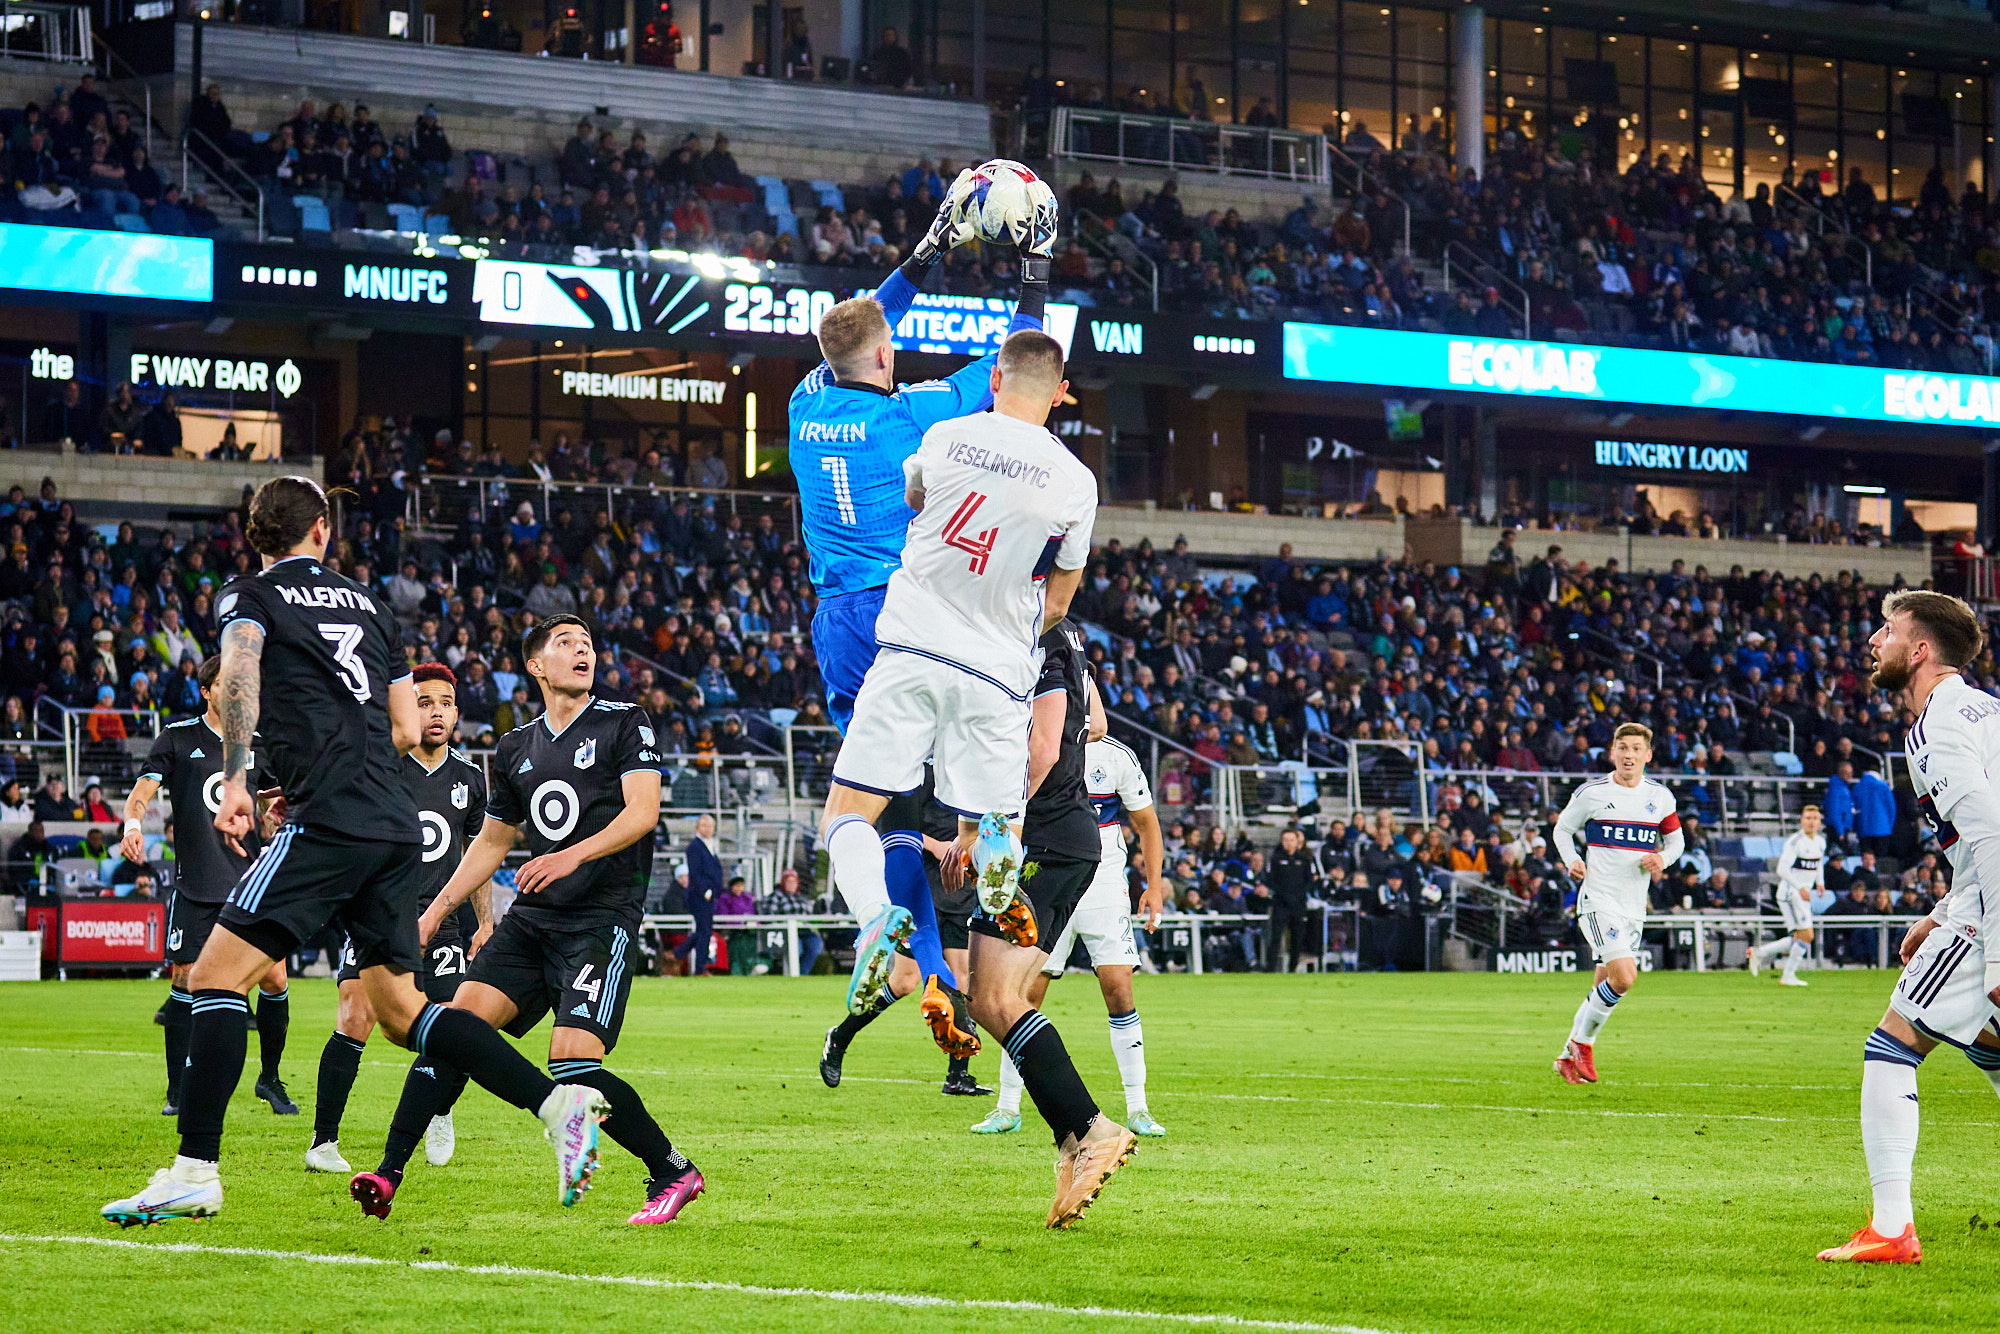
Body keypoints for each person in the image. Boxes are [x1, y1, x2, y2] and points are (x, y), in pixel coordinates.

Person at [102, 477, 610, 1227]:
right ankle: (555, 1101)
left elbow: (239, 673)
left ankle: (193, 1171)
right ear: (321, 532)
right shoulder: (371, 605)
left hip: (332, 820)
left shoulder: (250, 595)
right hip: (392, 822)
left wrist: (242, 776)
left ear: (260, 536)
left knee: (210, 978)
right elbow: (405, 726)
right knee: (403, 1011)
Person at [819, 328, 1132, 1228]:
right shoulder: (1077, 483)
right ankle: (1087, 1132)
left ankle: (878, 915)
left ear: (993, 378)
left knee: (849, 810)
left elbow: (914, 495)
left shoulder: (951, 434)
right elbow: (1060, 603)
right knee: (995, 992)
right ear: (1062, 392)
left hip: (914, 647)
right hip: (1000, 677)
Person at [790, 171, 1052, 1043]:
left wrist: (926, 254)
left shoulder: (803, 403)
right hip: (907, 617)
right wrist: (1033, 271)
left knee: (875, 807)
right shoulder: (915, 420)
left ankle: (915, 959)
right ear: (890, 361)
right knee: (950, 795)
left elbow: (859, 327)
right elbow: (1018, 367)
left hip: (834, 625)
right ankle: (960, 941)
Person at [363, 614, 700, 1228]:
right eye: (566, 644)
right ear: (536, 666)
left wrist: (568, 856)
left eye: (589, 644)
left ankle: (672, 1170)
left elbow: (643, 811)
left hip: (600, 918)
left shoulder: (625, 721)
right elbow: (491, 842)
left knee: (573, 1063)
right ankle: (389, 1172)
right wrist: (435, 912)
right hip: (533, 921)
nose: (583, 652)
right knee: (456, 1027)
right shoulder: (515, 746)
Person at [1818, 591, 2000, 1265]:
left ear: (1920, 650)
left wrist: (1995, 953)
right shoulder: (1985, 711)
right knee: (1990, 1047)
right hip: (1976, 901)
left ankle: (1892, 1229)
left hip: (1993, 910)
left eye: (1887, 631)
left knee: (1893, 1044)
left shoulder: (1938, 728)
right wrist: (1938, 912)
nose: (1873, 641)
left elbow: (1995, 840)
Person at [304, 663, 490, 1174]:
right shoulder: (381, 764)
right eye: (424, 702)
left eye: (445, 703)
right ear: (408, 709)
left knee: (453, 1028)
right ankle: (323, 1142)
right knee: (354, 1015)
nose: (435, 712)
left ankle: (440, 1111)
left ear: (456, 714)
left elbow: (478, 857)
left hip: (445, 923)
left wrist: (486, 924)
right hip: (377, 916)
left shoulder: (470, 780)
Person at [122, 654, 294, 1118]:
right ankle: (177, 1089)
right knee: (183, 979)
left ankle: (270, 1079)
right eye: (227, 684)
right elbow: (142, 791)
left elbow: (278, 794)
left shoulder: (259, 745)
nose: (237, 692)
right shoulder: (178, 739)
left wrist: (280, 808)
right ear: (206, 690)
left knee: (276, 978)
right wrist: (132, 825)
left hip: (251, 884)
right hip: (197, 885)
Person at [976, 724, 1168, 1137]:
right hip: (1050, 875)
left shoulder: (1118, 756)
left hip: (1103, 883)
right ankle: (1007, 1107)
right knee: (1025, 994)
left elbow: (1147, 823)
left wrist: (1153, 886)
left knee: (1118, 989)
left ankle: (1139, 1108)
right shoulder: (1036, 747)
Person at [818, 766, 990, 1096]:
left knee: (963, 981)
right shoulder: (918, 768)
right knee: (905, 980)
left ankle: (958, 1075)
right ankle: (840, 1037)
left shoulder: (967, 765)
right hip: (917, 881)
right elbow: (894, 828)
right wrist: (938, 846)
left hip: (959, 888)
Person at [1550, 723, 1683, 1084]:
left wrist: (1663, 861)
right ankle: (1583, 1043)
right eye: (1622, 748)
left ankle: (1566, 1057)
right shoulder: (1593, 793)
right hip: (1599, 900)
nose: (1629, 755)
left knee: (1602, 986)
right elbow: (1562, 829)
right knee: (1624, 978)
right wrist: (1571, 860)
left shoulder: (1660, 797)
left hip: (1633, 907)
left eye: (1636, 749)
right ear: (1612, 752)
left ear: (1647, 755)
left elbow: (1676, 843)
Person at [1749, 806, 1825, 985]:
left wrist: (1820, 882)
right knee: (1807, 936)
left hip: (1799, 893)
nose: (1811, 821)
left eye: (1815, 818)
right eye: (1808, 818)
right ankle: (1788, 975)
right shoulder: (1795, 842)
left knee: (1799, 937)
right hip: (1792, 893)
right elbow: (1781, 869)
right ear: (1801, 821)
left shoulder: (1820, 842)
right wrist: (1800, 888)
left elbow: (1818, 863)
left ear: (1819, 822)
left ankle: (1759, 953)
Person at [673, 813, 720, 974]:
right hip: (700, 895)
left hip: (708, 894)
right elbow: (696, 873)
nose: (708, 829)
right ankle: (700, 968)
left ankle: (677, 953)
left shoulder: (710, 845)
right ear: (697, 828)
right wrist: (706, 891)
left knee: (703, 930)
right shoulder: (695, 847)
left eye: (710, 826)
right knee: (704, 931)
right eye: (704, 825)